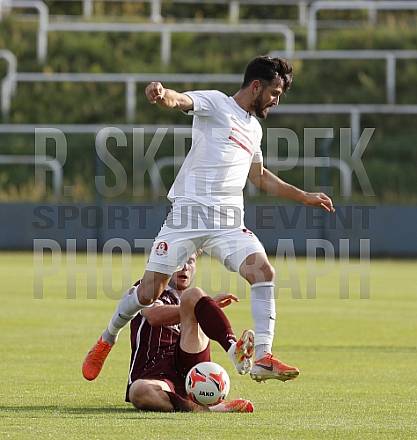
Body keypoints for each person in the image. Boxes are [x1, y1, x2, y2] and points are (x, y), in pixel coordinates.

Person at [83, 55, 335, 383]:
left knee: (264, 272)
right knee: (148, 294)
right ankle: (108, 337)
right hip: (187, 217)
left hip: (227, 223)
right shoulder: (216, 104)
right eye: (274, 92)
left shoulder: (254, 129)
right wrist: (162, 94)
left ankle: (263, 357)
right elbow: (180, 100)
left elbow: (259, 176)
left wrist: (304, 196)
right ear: (256, 86)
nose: (276, 100)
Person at [126, 255, 254, 412]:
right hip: (155, 374)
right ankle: (207, 407)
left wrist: (199, 308)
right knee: (139, 391)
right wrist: (193, 310)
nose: (185, 267)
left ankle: (233, 347)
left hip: (190, 367)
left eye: (190, 261)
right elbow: (154, 316)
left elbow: (192, 303)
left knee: (194, 295)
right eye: (179, 260)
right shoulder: (144, 288)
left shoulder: (194, 299)